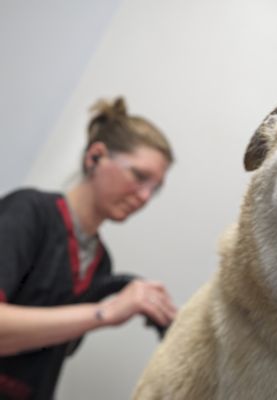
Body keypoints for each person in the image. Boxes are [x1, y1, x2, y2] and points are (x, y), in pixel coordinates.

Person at [0, 97, 178, 400]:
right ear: (95, 157)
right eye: (139, 176)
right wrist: (106, 312)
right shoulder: (29, 212)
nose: (145, 197)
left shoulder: (101, 264)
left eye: (154, 189)